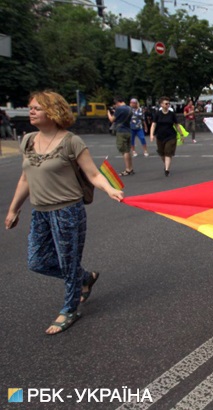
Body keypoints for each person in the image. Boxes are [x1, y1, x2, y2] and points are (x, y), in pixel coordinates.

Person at [4, 90, 124, 335]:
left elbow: (92, 174)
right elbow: (25, 178)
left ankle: (70, 309)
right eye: (31, 107)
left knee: (67, 262)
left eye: (37, 108)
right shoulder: (27, 140)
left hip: (68, 211)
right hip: (40, 212)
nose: (31, 111)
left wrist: (110, 189)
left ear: (53, 111)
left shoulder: (71, 142)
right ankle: (84, 278)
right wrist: (13, 209)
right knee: (36, 261)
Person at [150, 96, 183, 177]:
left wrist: (181, 134)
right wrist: (151, 134)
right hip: (160, 136)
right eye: (166, 103)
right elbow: (153, 125)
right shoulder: (157, 114)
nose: (168, 105)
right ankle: (166, 165)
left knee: (168, 152)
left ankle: (167, 169)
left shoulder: (172, 114)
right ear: (161, 104)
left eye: (169, 103)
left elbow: (177, 125)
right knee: (162, 153)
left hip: (171, 136)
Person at [107, 97, 134, 176]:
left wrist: (108, 113)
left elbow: (112, 119)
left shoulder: (119, 109)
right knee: (128, 150)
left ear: (118, 102)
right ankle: (130, 167)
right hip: (128, 130)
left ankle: (127, 169)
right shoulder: (129, 108)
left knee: (124, 151)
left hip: (121, 131)